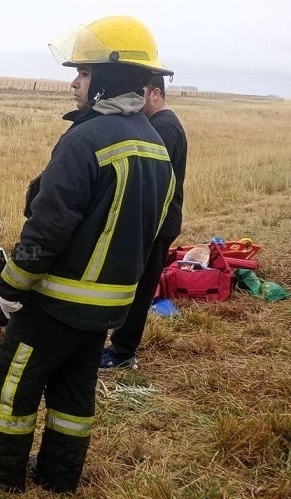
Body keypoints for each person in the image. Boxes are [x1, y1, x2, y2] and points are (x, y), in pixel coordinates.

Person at [0, 16, 176, 494]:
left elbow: (48, 226)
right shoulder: (156, 145)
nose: (74, 82)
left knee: (12, 376)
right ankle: (60, 476)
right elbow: (154, 226)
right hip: (108, 306)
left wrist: (12, 287)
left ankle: (1, 471)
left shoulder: (86, 140)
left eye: (83, 73)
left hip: (58, 302)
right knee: (74, 391)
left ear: (110, 77)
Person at [101, 74, 188, 369]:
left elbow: (148, 177)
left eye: (140, 94)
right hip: (158, 220)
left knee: (138, 289)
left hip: (158, 222)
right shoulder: (163, 124)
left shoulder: (163, 127)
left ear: (154, 93)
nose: (135, 102)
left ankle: (123, 353)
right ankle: (121, 346)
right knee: (136, 284)